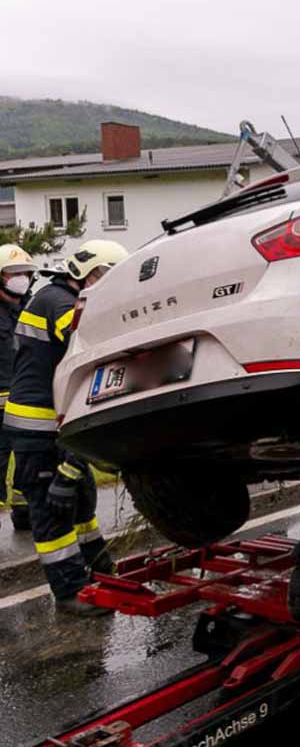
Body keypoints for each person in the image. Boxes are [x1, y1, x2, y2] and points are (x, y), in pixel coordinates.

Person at [5, 240, 127, 615]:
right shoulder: (59, 303)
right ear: (91, 274)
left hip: (56, 420)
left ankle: (100, 568)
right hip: (38, 427)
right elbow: (87, 345)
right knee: (51, 508)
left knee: (81, 500)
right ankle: (70, 591)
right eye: (109, 278)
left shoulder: (57, 297)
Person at [0, 245, 36, 531]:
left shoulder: (32, 308)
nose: (21, 278)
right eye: (14, 273)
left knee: (29, 459)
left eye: (25, 272)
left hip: (25, 401)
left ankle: (24, 513)